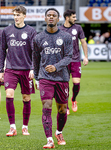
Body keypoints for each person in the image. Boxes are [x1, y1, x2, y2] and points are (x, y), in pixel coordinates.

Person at [33, 8, 73, 149]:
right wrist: (37, 78)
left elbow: (69, 57)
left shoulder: (66, 37)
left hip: (62, 78)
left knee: (62, 110)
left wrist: (56, 66)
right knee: (46, 106)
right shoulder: (38, 38)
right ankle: (49, 139)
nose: (51, 17)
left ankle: (59, 132)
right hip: (45, 78)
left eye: (53, 15)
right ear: (45, 19)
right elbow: (35, 59)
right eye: (48, 15)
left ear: (58, 18)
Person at [0, 5, 37, 136]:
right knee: (9, 94)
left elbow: (35, 52)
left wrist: (33, 68)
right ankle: (12, 127)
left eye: (18, 15)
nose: (16, 17)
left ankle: (25, 126)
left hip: (26, 70)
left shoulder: (31, 31)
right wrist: (0, 70)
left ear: (24, 16)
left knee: (26, 98)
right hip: (11, 69)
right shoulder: (7, 31)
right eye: (14, 15)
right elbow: (2, 51)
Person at [59, 9, 88, 115]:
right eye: (74, 17)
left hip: (75, 59)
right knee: (64, 85)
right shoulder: (59, 29)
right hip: (63, 61)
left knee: (76, 83)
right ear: (67, 18)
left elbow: (83, 42)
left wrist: (85, 56)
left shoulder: (78, 28)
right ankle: (66, 106)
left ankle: (74, 99)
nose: (75, 19)